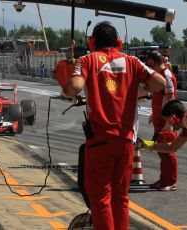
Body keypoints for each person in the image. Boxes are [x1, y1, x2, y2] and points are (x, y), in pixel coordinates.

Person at [56, 21, 166, 230]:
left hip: (100, 140)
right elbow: (160, 83)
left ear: (92, 42)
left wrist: (66, 91)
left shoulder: (87, 60)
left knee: (100, 198)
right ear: (118, 42)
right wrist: (137, 86)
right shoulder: (132, 61)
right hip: (126, 141)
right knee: (120, 198)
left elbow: (75, 87)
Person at [146, 51, 178, 191]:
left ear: (153, 62)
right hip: (160, 118)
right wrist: (154, 113)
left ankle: (170, 181)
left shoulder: (166, 75)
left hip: (166, 120)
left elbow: (170, 98)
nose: (150, 68)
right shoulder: (161, 75)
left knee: (167, 150)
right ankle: (164, 178)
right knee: (161, 150)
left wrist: (168, 122)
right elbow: (161, 97)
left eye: (150, 65)